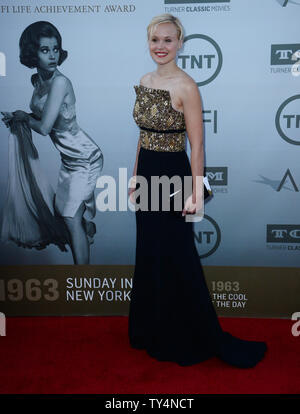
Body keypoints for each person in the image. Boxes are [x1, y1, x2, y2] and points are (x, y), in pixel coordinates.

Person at [128, 14, 267, 367]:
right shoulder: (144, 80)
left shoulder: (187, 86)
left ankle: (185, 333)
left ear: (180, 43)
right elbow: (143, 136)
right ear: (149, 43)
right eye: (155, 40)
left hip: (174, 175)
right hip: (147, 174)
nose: (161, 47)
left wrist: (193, 192)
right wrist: (133, 176)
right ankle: (150, 327)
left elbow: (198, 146)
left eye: (168, 40)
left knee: (177, 255)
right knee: (149, 250)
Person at [1, 21, 103, 264]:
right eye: (45, 50)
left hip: (85, 157)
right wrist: (20, 117)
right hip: (68, 159)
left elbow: (45, 128)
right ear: (32, 53)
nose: (53, 55)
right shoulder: (37, 80)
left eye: (55, 49)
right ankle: (86, 227)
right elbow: (43, 117)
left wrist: (25, 118)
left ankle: (82, 285)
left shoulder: (60, 82)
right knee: (62, 213)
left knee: (69, 218)